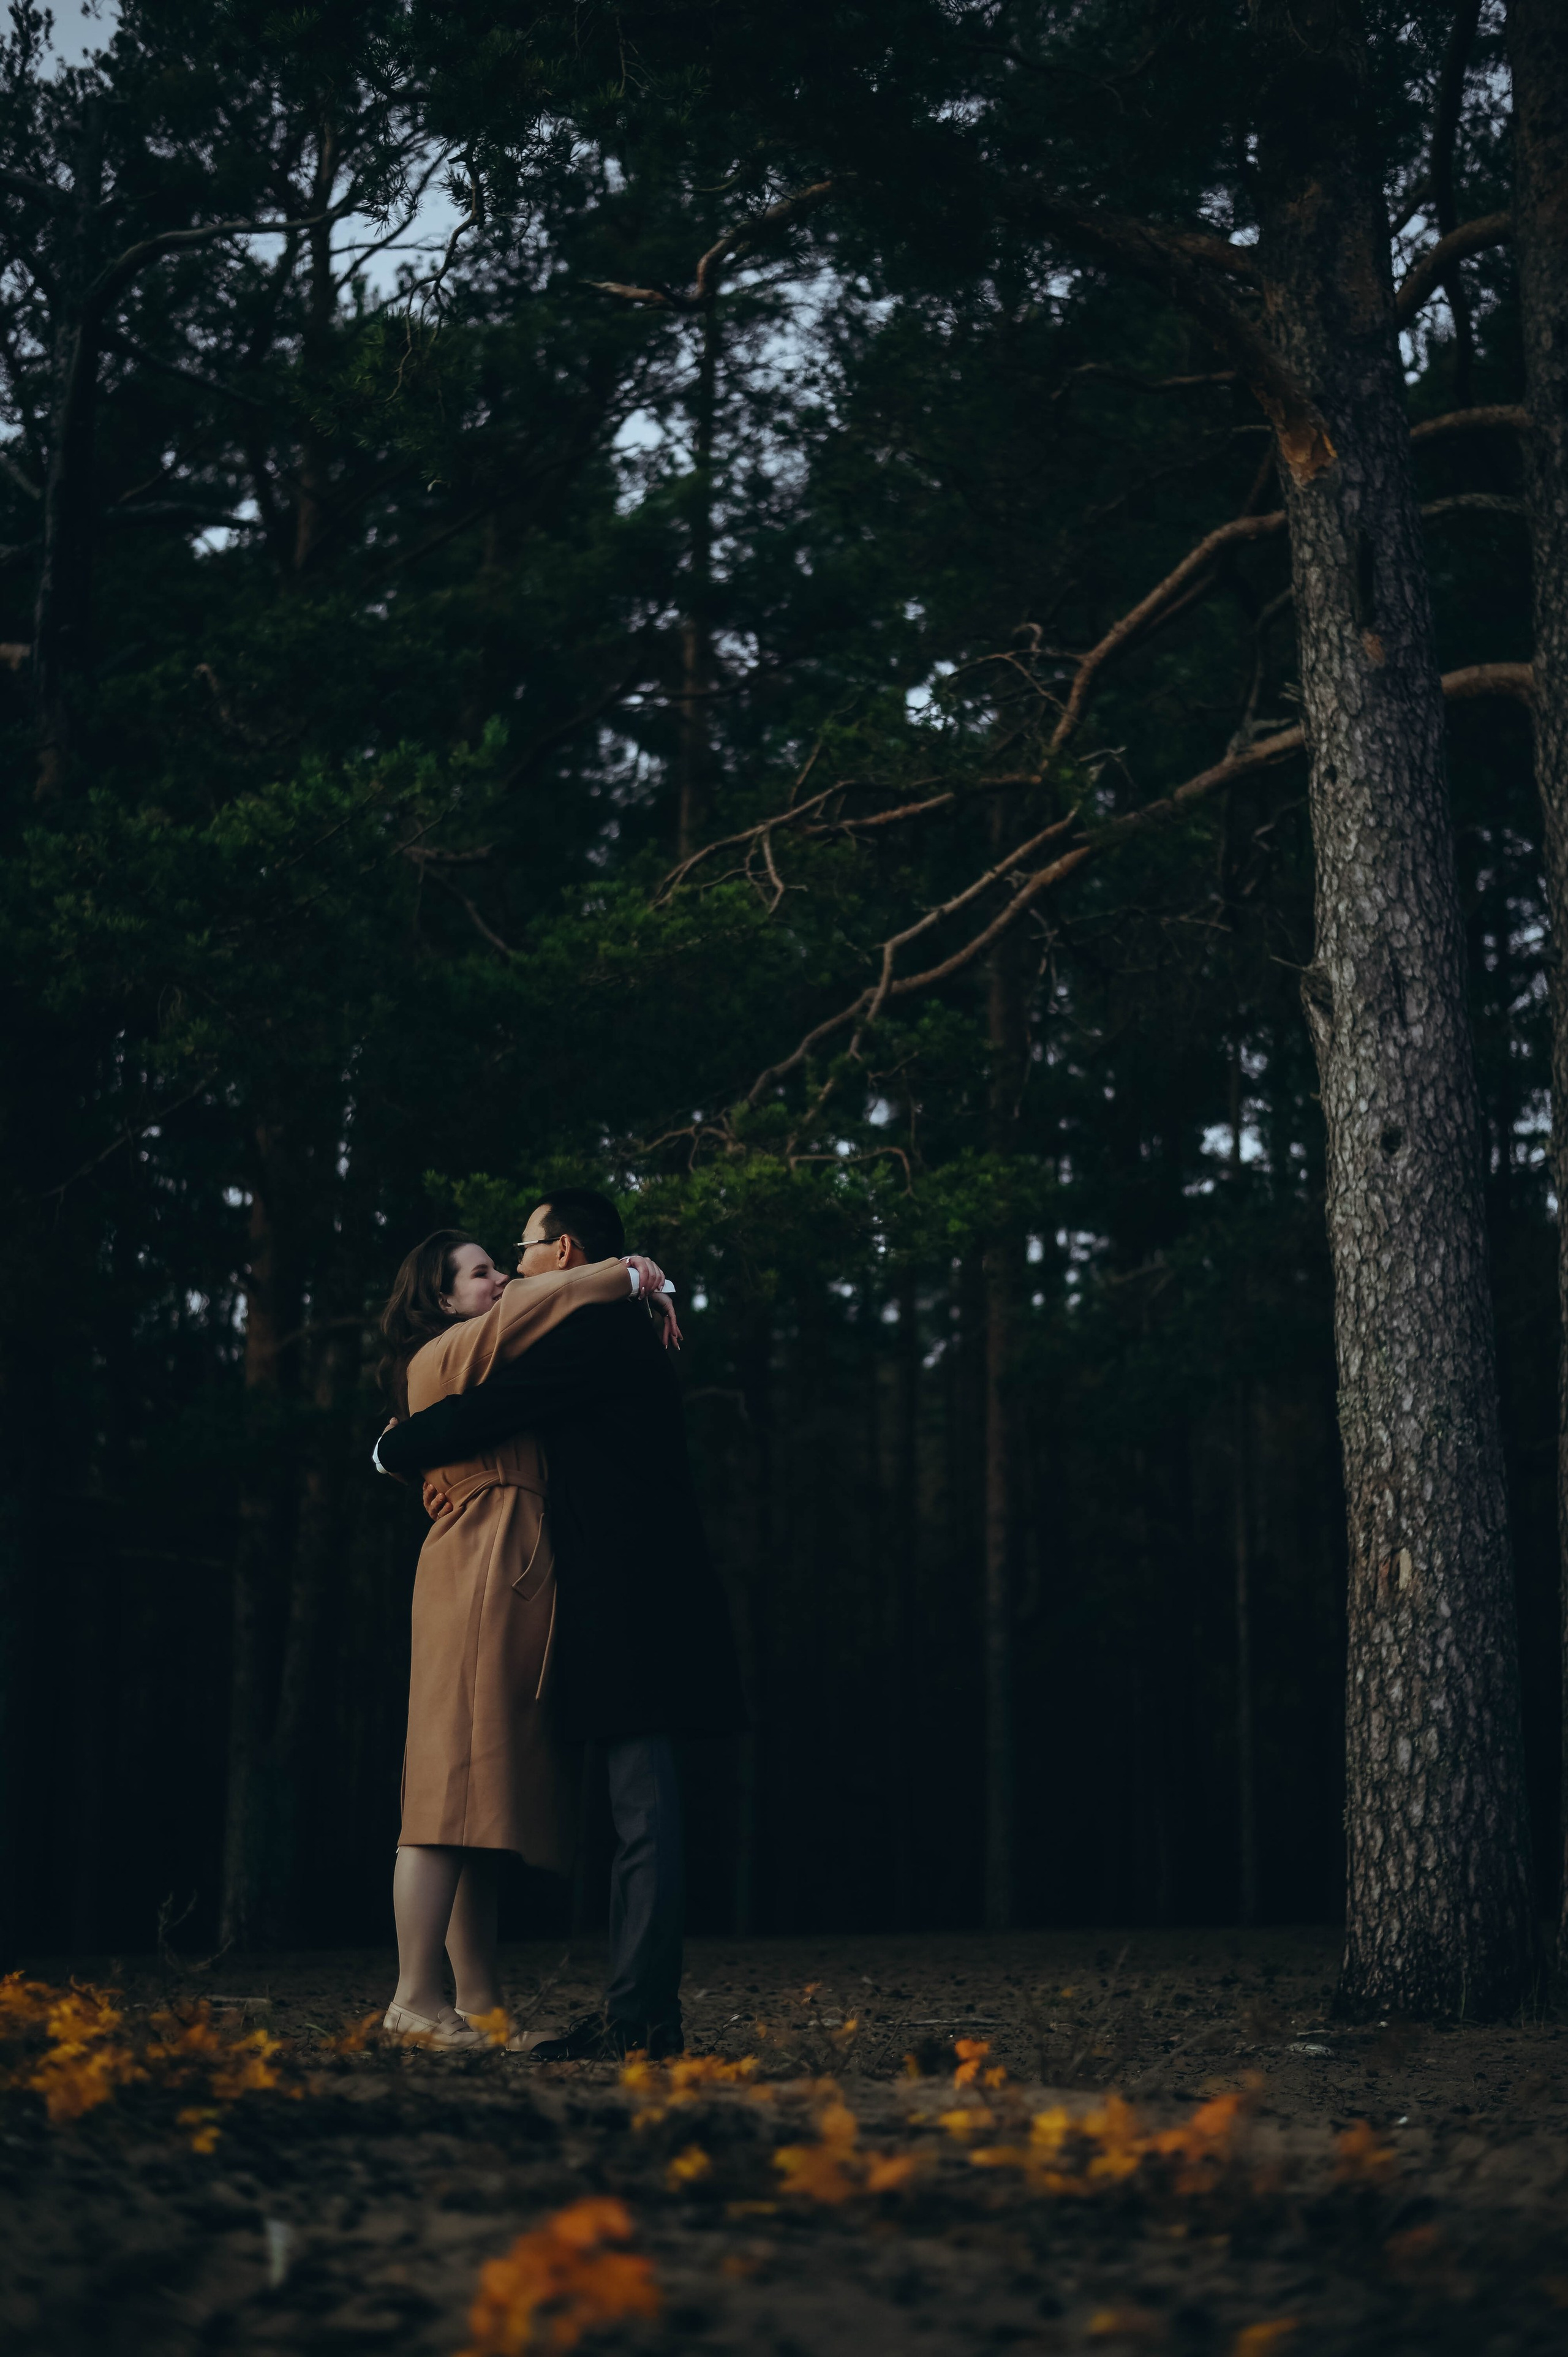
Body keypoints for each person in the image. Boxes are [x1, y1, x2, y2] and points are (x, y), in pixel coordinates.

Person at [374, 1186, 748, 2061]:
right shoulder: (546, 1329)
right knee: (489, 1798)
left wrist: (625, 1282)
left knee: (616, 1811)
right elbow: (479, 1413)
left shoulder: (594, 1331)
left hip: (622, 1594)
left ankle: (622, 2016)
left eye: (523, 1249)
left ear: (564, 1251)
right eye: (487, 1265)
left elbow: (497, 1410)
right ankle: (487, 2005)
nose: (513, 1269)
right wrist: (403, 1447)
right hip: (550, 1584)